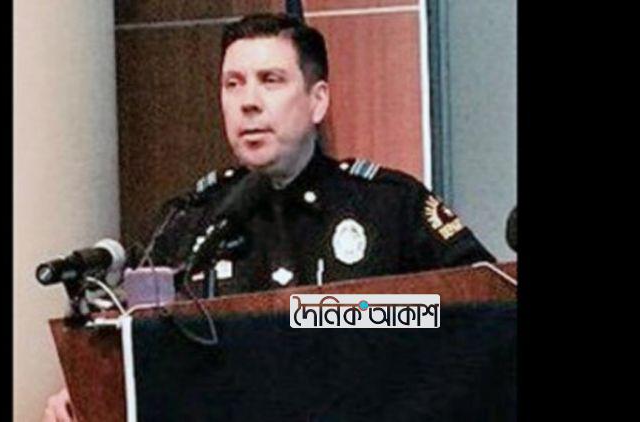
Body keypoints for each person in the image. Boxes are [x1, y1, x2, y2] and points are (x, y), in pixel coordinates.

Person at [43, 12, 494, 421]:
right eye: (233, 84)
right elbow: (137, 341)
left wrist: (331, 314)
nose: (249, 102)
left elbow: (485, 308)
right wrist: (88, 389)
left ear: (317, 100)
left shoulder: (388, 205)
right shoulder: (192, 219)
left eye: (271, 80)